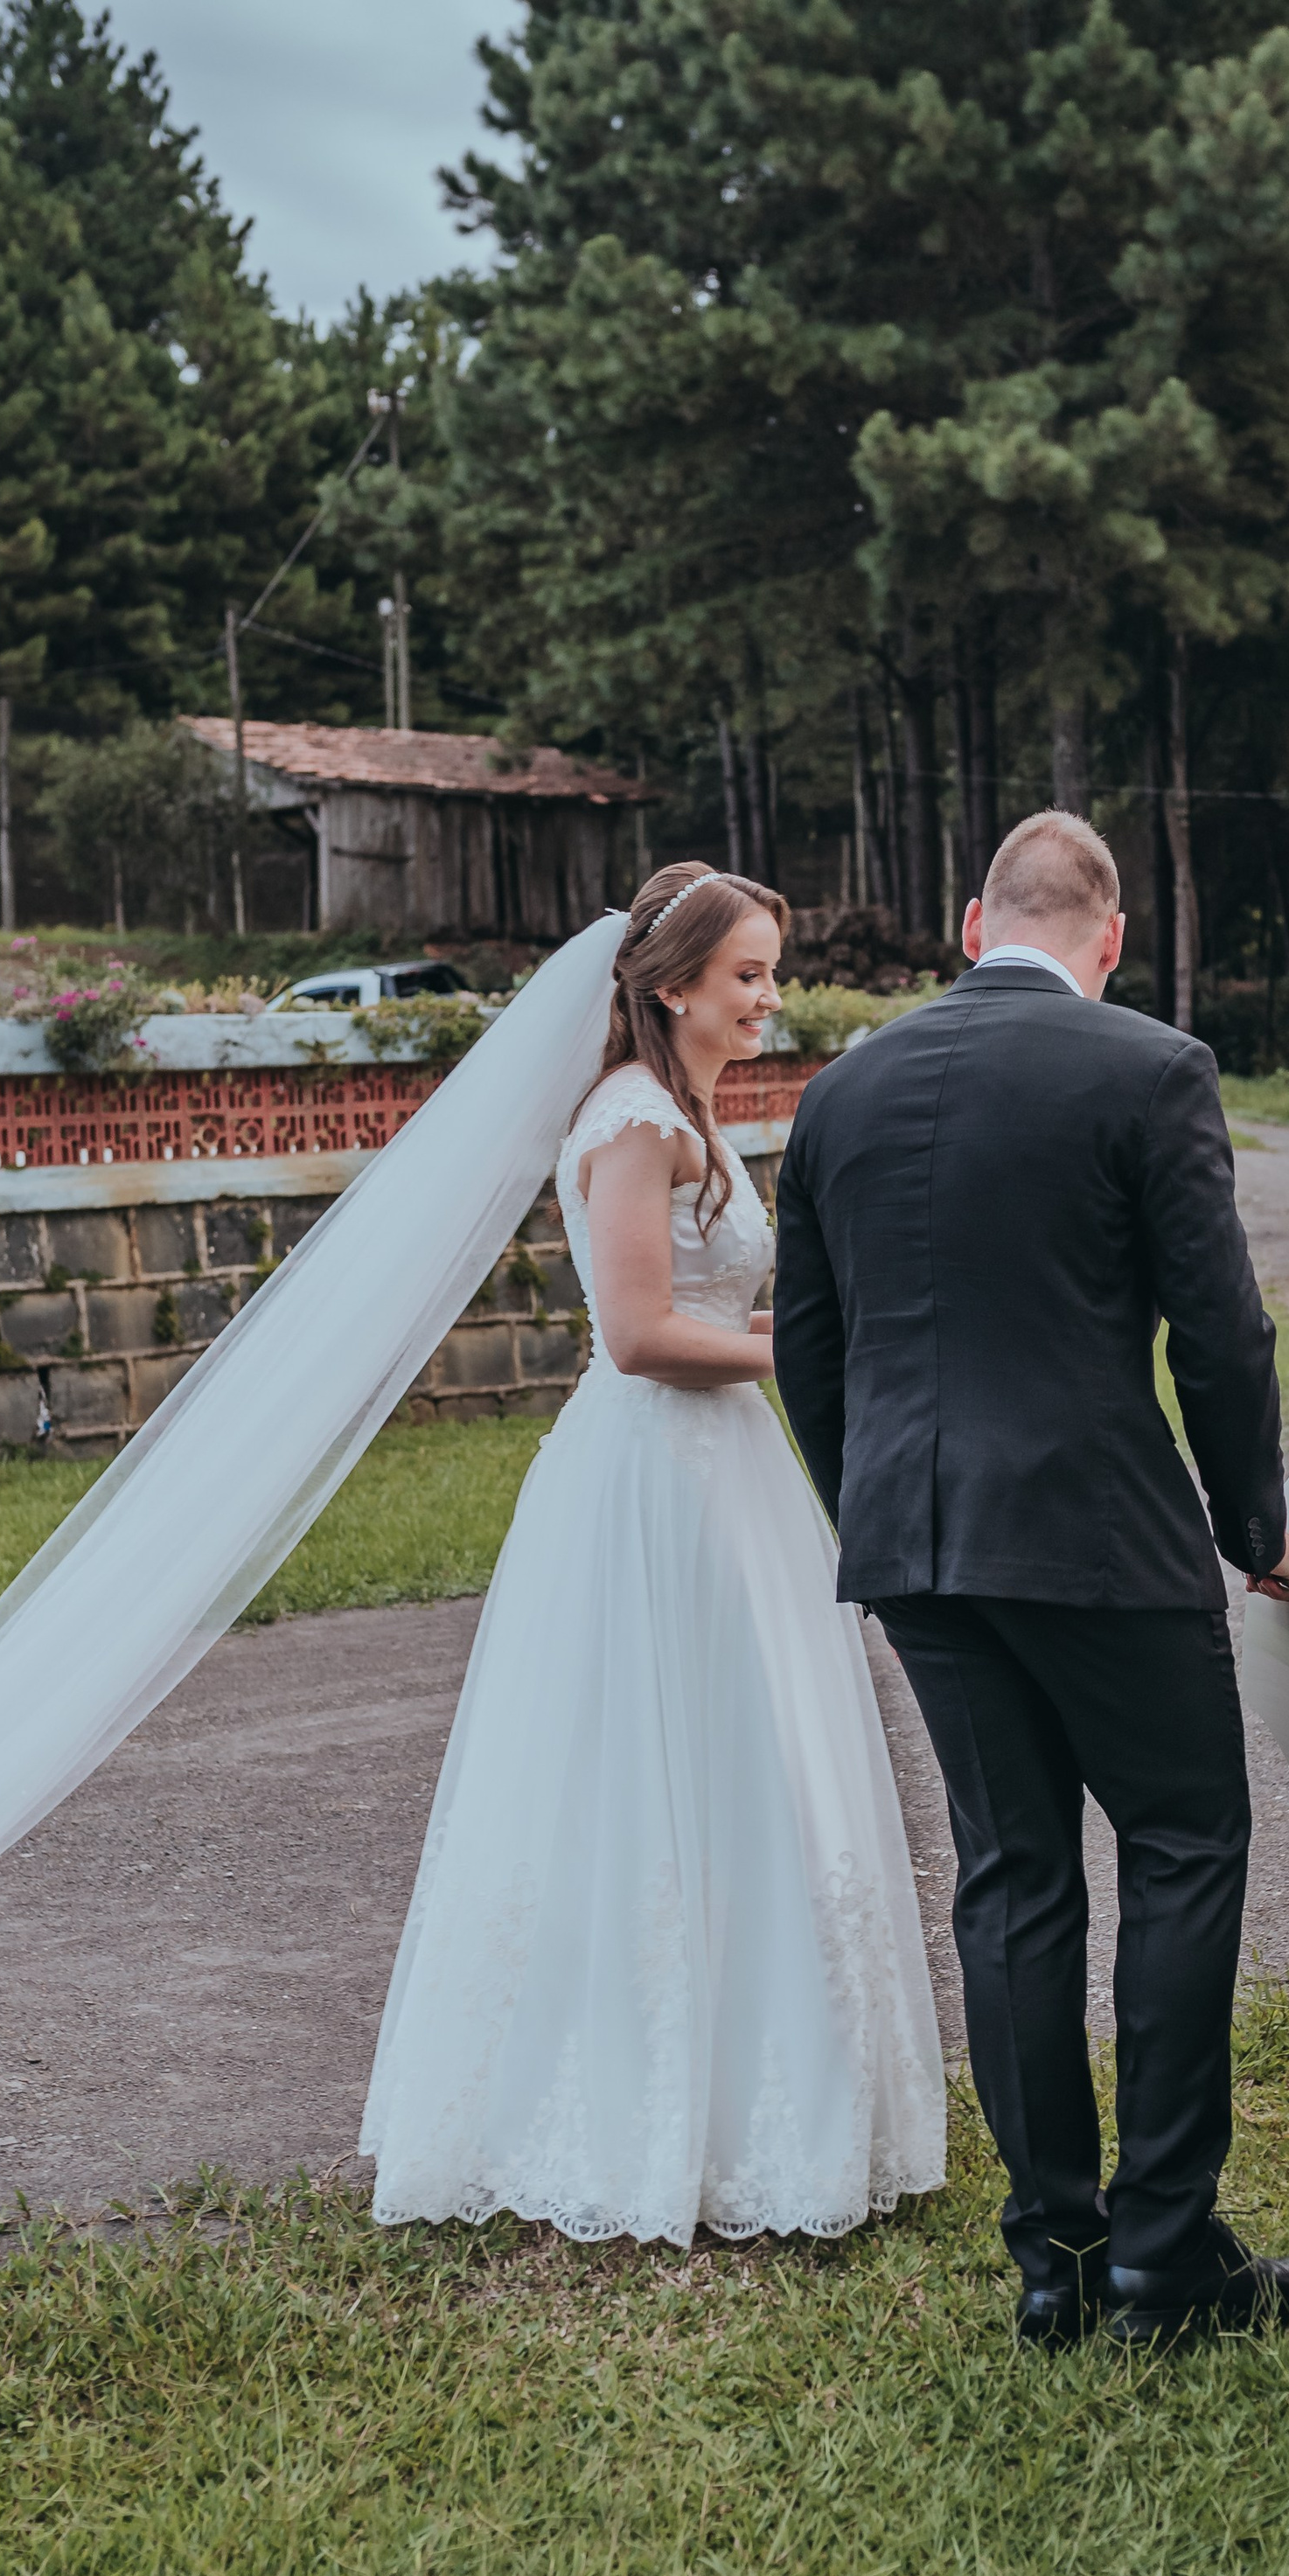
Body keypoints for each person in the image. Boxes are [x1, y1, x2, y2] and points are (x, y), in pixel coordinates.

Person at [771, 810, 1289, 2350]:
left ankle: (1052, 2268)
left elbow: (811, 1358)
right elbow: (1220, 1334)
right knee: (1182, 1845)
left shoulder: (841, 1092)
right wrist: (1251, 1521)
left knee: (1012, 1882)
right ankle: (1164, 2258)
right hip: (1101, 1542)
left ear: (968, 924)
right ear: (1111, 940)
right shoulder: (1152, 1070)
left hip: (916, 1551)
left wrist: (884, 1520)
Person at [360, 864, 945, 2246]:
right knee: (651, 1771)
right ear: (673, 984)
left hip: (725, 1470)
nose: (768, 998)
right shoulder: (632, 1121)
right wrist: (802, 1354)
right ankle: (634, 2105)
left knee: (752, 1762)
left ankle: (771, 2089)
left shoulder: (690, 1117)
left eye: (773, 974)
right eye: (748, 974)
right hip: (654, 1479)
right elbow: (634, 1334)